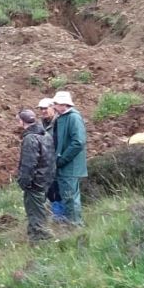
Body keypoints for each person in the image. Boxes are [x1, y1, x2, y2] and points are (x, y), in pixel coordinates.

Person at [15, 109, 55, 244]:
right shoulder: (46, 135)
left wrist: (23, 182)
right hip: (46, 180)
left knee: (35, 214)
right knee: (42, 210)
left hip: (35, 184)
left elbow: (29, 164)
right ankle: (39, 238)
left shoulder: (30, 138)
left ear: (22, 121)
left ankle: (40, 241)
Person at [51, 90, 88, 227]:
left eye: (56, 104)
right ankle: (71, 224)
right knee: (67, 197)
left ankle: (75, 225)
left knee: (70, 198)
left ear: (64, 104)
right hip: (64, 166)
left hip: (69, 166)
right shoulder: (63, 117)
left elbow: (78, 142)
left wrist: (62, 160)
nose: (54, 106)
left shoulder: (73, 118)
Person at [38, 98, 66, 221]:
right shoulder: (41, 125)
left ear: (53, 108)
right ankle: (56, 214)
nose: (43, 111)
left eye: (46, 108)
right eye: (41, 109)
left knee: (59, 188)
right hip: (46, 162)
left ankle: (62, 216)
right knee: (50, 189)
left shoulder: (59, 123)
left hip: (58, 161)